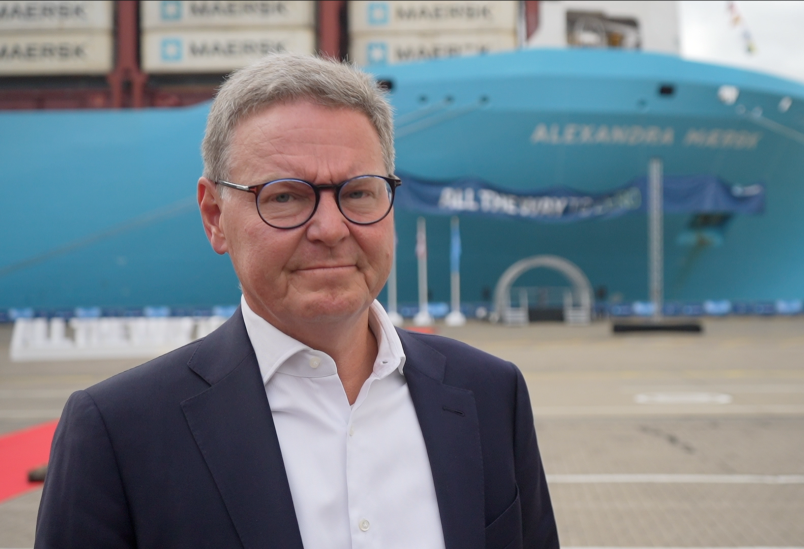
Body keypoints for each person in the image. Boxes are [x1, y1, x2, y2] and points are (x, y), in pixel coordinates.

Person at [35, 53, 558, 549]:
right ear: (215, 216)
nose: (331, 229)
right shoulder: (117, 434)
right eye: (284, 196)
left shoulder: (492, 394)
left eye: (358, 192)